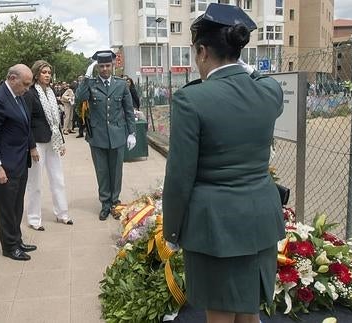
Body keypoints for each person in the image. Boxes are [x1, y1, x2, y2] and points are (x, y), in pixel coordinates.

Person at [162, 4, 285, 323]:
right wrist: (241, 65)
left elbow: (179, 177)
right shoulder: (268, 92)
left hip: (214, 227)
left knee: (219, 315)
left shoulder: (191, 100)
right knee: (248, 311)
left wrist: (172, 231)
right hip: (259, 220)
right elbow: (259, 78)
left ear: (202, 51)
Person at [0, 64, 36, 261]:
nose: (27, 88)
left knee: (16, 205)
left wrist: (31, 148)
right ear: (13, 78)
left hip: (20, 162)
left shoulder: (19, 97)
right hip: (4, 165)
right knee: (6, 207)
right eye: (25, 84)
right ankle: (9, 246)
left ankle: (17, 239)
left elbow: (25, 125)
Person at [75, 50, 136, 221]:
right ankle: (105, 204)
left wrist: (132, 133)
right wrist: (86, 78)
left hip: (117, 134)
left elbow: (128, 110)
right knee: (102, 171)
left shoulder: (121, 84)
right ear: (97, 68)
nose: (104, 69)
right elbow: (79, 98)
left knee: (116, 171)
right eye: (101, 66)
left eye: (107, 65)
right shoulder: (91, 84)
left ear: (112, 66)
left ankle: (115, 202)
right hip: (98, 135)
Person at [23, 60, 73, 231]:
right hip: (37, 142)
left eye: (49, 73)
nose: (47, 75)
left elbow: (56, 121)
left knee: (58, 179)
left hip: (53, 141)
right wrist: (31, 147)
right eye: (44, 72)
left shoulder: (51, 92)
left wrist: (62, 142)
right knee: (35, 183)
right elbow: (26, 122)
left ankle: (62, 214)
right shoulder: (29, 93)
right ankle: (34, 218)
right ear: (36, 74)